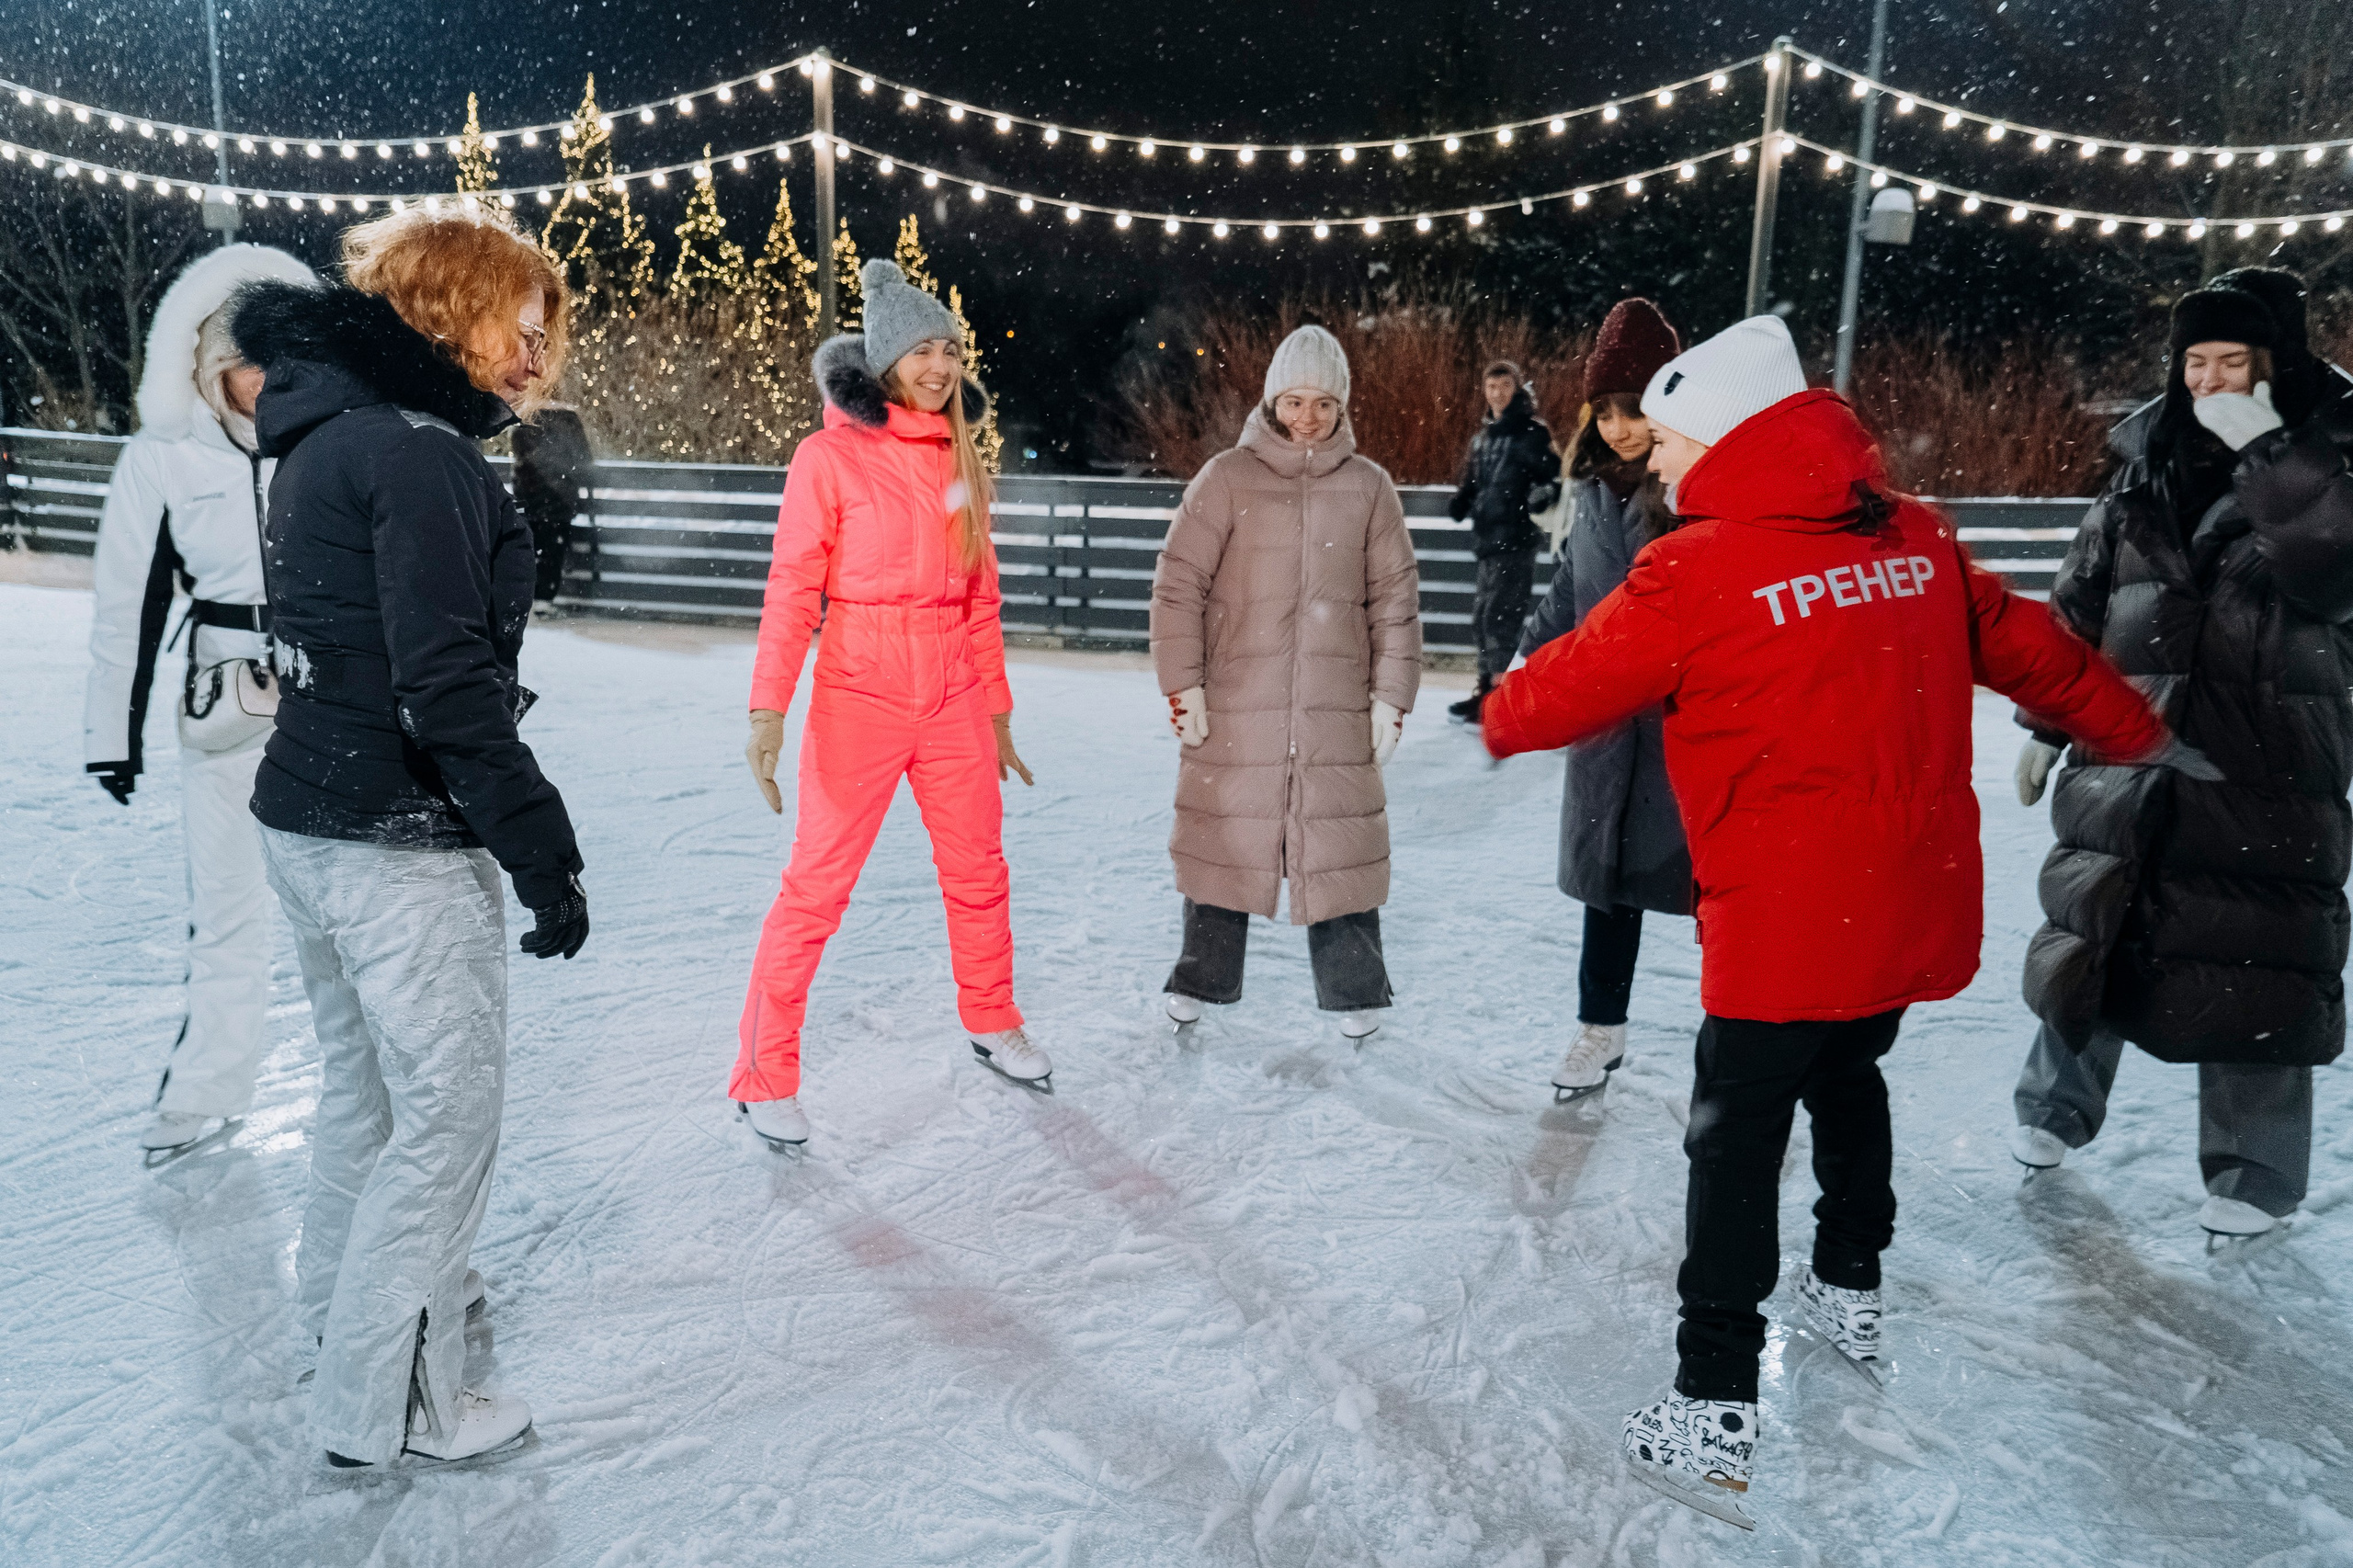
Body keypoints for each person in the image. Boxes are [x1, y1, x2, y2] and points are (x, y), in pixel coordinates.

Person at [1482, 315, 2194, 1522]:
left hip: (1784, 914)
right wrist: (2137, 727)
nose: (1658, 456)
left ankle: (1712, 1402)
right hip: (1896, 896)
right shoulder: (1912, 538)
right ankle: (1850, 1282)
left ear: (1732, 435)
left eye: (1675, 437)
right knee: (1848, 1073)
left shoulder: (1698, 568)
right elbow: (2033, 649)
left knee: (1734, 1134)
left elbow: (1569, 683)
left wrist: (1497, 714)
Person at [230, 204, 588, 1469]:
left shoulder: (327, 433)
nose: (535, 354)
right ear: (446, 308)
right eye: (516, 324)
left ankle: (341, 1342)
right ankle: (395, 1403)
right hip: (393, 838)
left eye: (545, 333)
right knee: (444, 1119)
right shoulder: (419, 452)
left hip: (309, 816)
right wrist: (539, 848)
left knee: (369, 1100)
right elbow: (443, 684)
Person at [2009, 269, 2353, 1242]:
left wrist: (2272, 457)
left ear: (2275, 365)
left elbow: (2334, 575)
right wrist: (2045, 723)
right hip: (2129, 743)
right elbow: (2080, 603)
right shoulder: (2144, 467)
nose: (2208, 381)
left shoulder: (2333, 456)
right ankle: (2052, 1109)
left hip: (2268, 757)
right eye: (2194, 361)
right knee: (2100, 924)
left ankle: (2254, 1175)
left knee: (2258, 956)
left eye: (2230, 361)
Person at [734, 259, 1048, 1150]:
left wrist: (996, 711)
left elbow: (979, 596)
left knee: (979, 872)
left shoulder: (957, 458)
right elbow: (792, 588)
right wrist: (768, 709)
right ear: (884, 361)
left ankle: (992, 1017)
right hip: (860, 691)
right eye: (922, 351)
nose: (940, 367)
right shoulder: (827, 458)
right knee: (816, 890)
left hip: (953, 693)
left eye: (949, 350)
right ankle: (762, 1075)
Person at [83, 243, 315, 1158]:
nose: (261, 380)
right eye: (243, 361)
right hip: (225, 704)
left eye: (276, 358)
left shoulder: (335, 442)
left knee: (351, 911)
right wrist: (113, 735)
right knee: (227, 907)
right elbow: (127, 605)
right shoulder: (165, 460)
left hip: (336, 698)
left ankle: (377, 1088)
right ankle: (206, 1088)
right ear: (209, 366)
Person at [1150, 324, 1422, 1041]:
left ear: (1343, 408)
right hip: (1238, 701)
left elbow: (1395, 601)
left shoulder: (1369, 489)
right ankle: (1201, 978)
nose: (1308, 417)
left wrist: (1391, 698)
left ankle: (1356, 991)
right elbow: (1178, 585)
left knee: (1338, 843)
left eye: (1324, 404)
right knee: (1226, 838)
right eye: (1295, 401)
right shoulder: (1227, 478)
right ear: (1271, 402)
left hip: (1336, 704)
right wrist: (1184, 685)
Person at [1515, 298, 1687, 1104]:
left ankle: (1747, 1039)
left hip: (1682, 724)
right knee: (1610, 886)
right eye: (1607, 412)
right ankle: (1600, 1029)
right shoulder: (1590, 490)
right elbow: (1570, 585)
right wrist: (1528, 657)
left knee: (1715, 891)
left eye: (1635, 410)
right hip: (1609, 726)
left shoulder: (1692, 490)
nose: (1620, 429)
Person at [1446, 358, 1558, 723]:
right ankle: (1486, 690)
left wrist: (1538, 497)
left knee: (1501, 618)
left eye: (1505, 386)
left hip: (1516, 540)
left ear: (1516, 388)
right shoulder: (1484, 437)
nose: (1497, 394)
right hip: (1488, 540)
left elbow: (1554, 478)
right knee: (1482, 619)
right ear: (1484, 390)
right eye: (1492, 387)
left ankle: (1501, 698)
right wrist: (1462, 500)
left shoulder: (1531, 433)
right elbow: (1473, 479)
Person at [511, 402, 594, 608]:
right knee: (552, 550)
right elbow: (584, 459)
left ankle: (530, 597)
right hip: (560, 499)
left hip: (529, 497)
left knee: (531, 547)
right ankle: (544, 598)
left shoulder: (526, 416)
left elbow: (519, 456)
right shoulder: (568, 419)